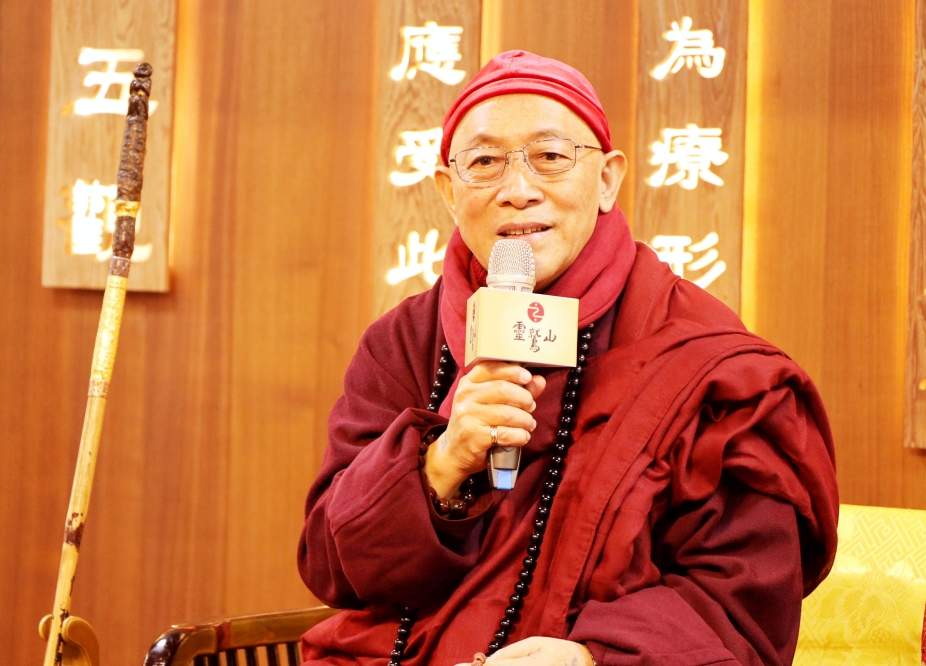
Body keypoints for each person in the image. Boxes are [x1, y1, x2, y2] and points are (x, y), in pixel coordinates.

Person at [298, 50, 839, 666]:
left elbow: (743, 599)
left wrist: (592, 657)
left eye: (551, 157)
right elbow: (331, 566)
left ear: (607, 180)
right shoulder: (405, 342)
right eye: (485, 163)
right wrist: (440, 464)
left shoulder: (700, 352)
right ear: (448, 191)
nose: (518, 191)